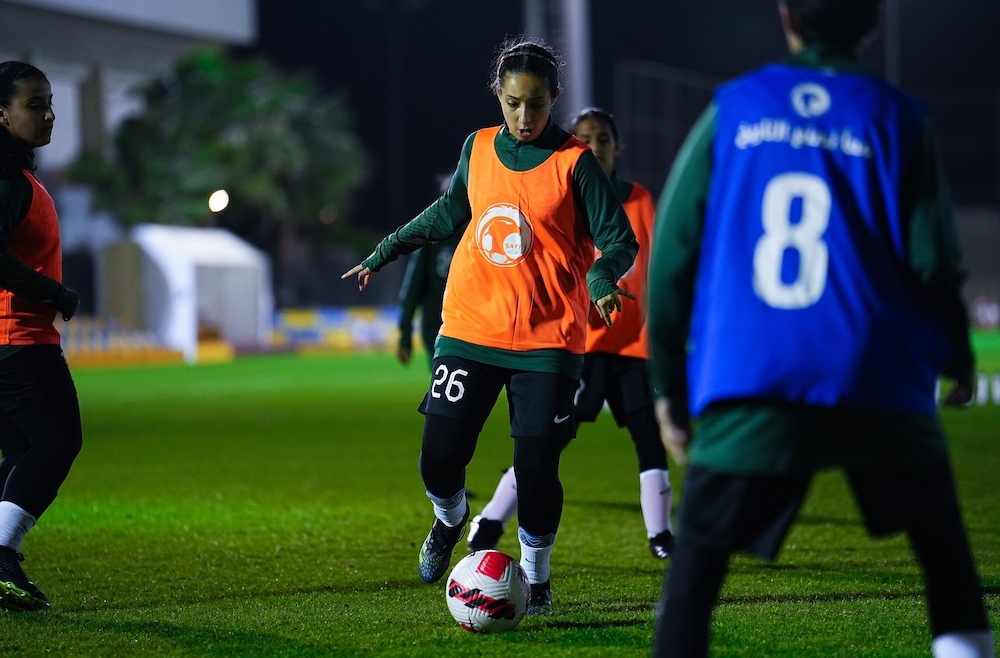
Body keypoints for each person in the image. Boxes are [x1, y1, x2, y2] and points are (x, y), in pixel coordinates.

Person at [647, 1, 995, 656]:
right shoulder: (897, 115)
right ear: (871, 24)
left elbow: (670, 260)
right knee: (947, 564)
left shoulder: (736, 108)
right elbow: (934, 261)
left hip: (754, 377)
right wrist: (957, 354)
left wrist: (668, 386)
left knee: (693, 580)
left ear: (787, 18)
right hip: (876, 373)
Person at [342, 37, 638, 616]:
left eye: (535, 104)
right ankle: (448, 522)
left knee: (534, 468)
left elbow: (619, 241)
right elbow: (450, 211)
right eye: (511, 103)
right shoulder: (476, 148)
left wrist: (602, 280)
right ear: (497, 97)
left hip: (547, 341)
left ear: (554, 98)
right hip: (470, 329)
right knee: (438, 457)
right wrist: (385, 251)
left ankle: (536, 579)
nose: (523, 117)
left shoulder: (575, 163)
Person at [465, 107, 675, 560]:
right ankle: (490, 520)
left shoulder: (639, 199)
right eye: (585, 138)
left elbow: (654, 265)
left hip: (632, 345)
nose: (594, 146)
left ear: (617, 147)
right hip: (578, 344)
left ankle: (661, 535)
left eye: (602, 138)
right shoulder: (562, 191)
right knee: (544, 441)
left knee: (648, 436)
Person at [0, 61, 82, 612]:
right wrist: (53, 294)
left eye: (49, 102)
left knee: (23, 452)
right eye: (34, 104)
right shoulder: (5, 179)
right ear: (1, 114)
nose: (48, 114)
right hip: (21, 342)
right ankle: (2, 555)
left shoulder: (16, 173)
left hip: (11, 342)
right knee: (57, 441)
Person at [395, 173, 461, 370]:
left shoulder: (481, 234)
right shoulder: (432, 236)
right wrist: (405, 334)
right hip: (438, 324)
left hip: (471, 322)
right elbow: (412, 288)